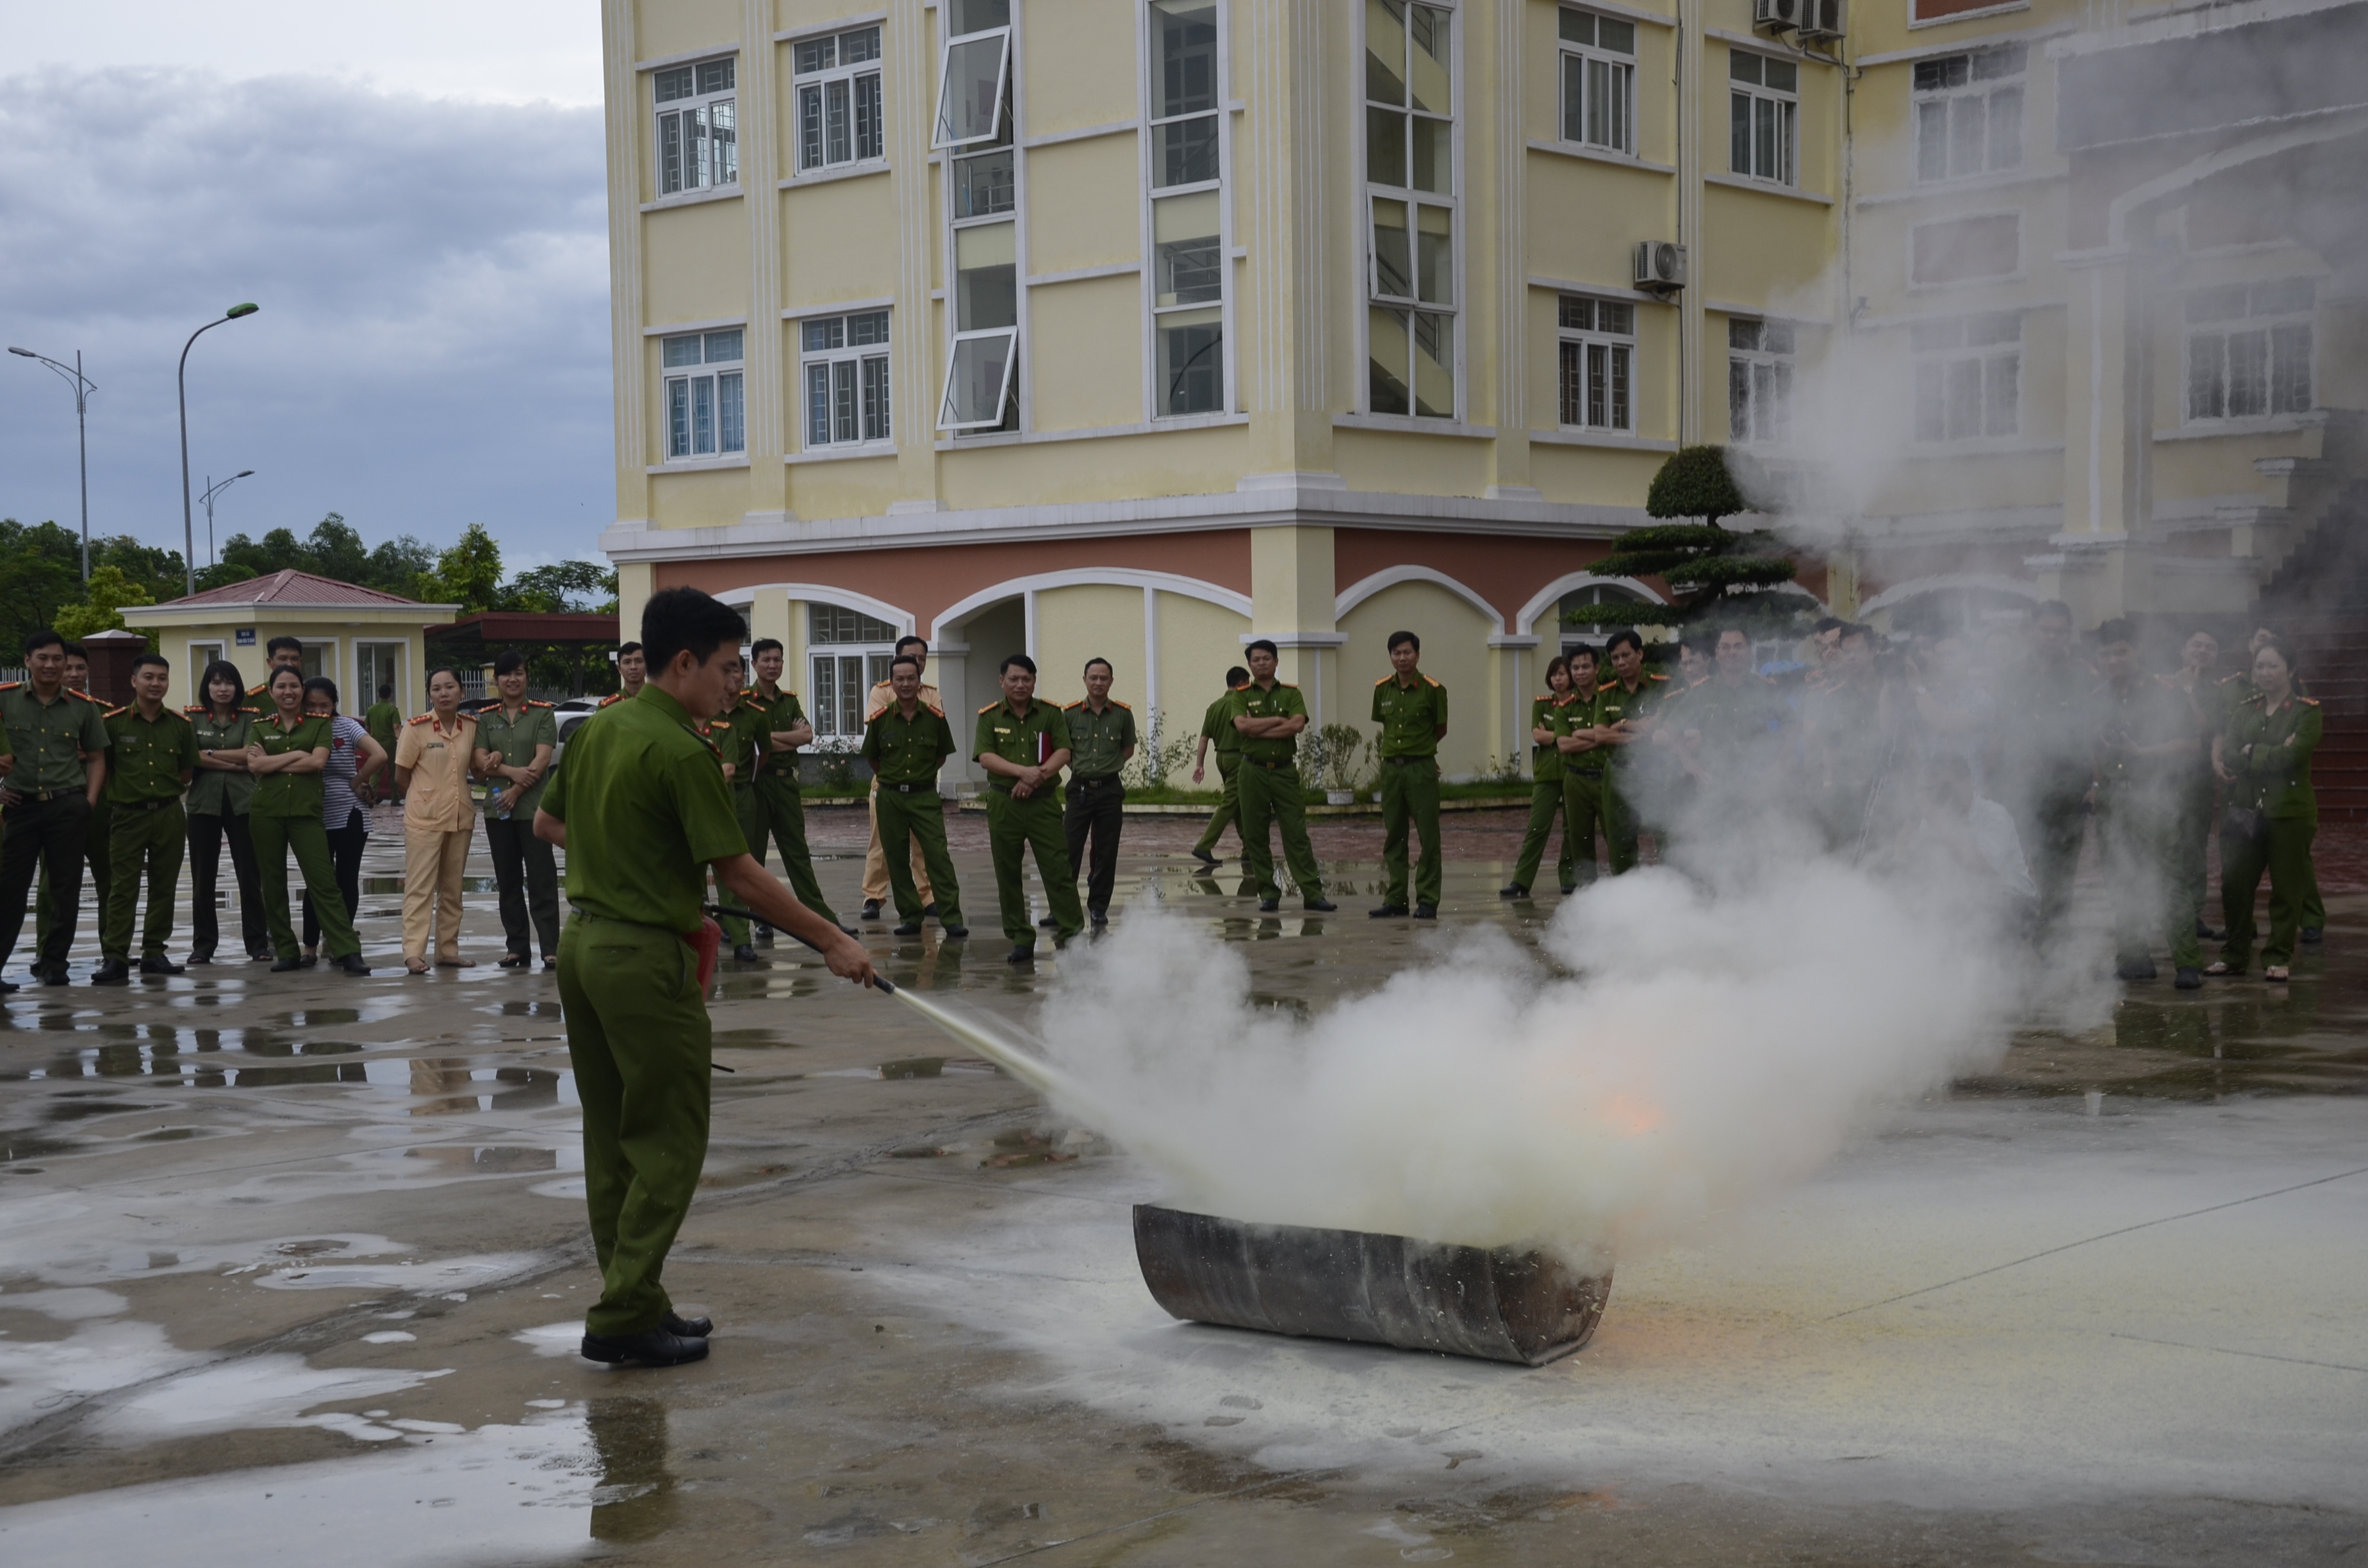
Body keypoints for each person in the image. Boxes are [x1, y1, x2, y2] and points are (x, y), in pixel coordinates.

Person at [533, 586, 876, 1368]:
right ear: (682, 662)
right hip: (642, 959)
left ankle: (640, 1301)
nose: (735, 682)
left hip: (585, 949)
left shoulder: (598, 730)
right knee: (670, 1139)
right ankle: (621, 1315)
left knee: (612, 1137)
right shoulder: (683, 749)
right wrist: (834, 942)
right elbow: (744, 876)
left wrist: (623, 864)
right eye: (726, 668)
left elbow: (551, 823)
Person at [2091, 621, 2202, 988]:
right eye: (2106, 654)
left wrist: (2146, 752)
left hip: (2153, 794)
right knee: (2120, 877)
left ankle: (2187, 962)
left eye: (2121, 651)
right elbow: (2094, 745)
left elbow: (2190, 743)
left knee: (2168, 878)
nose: (2113, 660)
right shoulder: (2097, 697)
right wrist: (2096, 783)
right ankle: (2133, 957)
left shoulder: (2163, 692)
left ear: (2137, 652)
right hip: (2112, 798)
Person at [0, 630, 111, 988]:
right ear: (28, 661)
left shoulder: (82, 706)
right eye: (43, 658)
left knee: (66, 889)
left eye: (57, 659)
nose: (51, 665)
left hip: (68, 806)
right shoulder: (5, 701)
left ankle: (55, 964)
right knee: (9, 890)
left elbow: (96, 758)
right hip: (20, 807)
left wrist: (89, 801)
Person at [244, 666, 370, 976]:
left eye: (294, 686)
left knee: (324, 883)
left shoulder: (317, 725)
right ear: (271, 692)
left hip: (307, 813)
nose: (288, 692)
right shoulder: (259, 726)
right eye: (281, 686)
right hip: (266, 813)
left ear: (302, 691)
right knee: (272, 885)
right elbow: (255, 767)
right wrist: (294, 756)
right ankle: (287, 952)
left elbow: (318, 761)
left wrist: (273, 761)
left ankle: (347, 951)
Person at [2208, 638, 2320, 982]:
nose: (2266, 673)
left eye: (2273, 665)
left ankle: (2278, 956)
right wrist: (2265, 752)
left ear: (2291, 669)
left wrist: (2251, 751)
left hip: (2289, 812)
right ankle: (2235, 954)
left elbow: (2293, 756)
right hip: (2244, 808)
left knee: (2287, 888)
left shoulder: (2307, 710)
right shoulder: (2246, 707)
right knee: (2236, 884)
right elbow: (2228, 754)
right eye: (2260, 666)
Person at [91, 653, 200, 984]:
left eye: (162, 678)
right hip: (127, 815)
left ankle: (154, 952)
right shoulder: (114, 723)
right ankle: (116, 957)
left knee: (164, 886)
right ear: (134, 681)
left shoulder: (181, 726)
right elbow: (103, 766)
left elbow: (185, 773)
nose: (156, 684)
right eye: (149, 677)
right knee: (123, 888)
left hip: (168, 812)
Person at [1993, 601, 2095, 945]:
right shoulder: (2009, 676)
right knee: (2013, 869)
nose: (2053, 638)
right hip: (2018, 788)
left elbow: (2096, 732)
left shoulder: (2083, 677)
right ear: (2030, 631)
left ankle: (2052, 946)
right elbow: (1997, 732)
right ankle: (2011, 940)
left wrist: (2094, 782)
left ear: (2068, 634)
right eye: (2046, 630)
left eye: (2060, 632)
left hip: (2066, 789)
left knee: (2059, 873)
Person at [975, 653, 1083, 962]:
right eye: (1014, 679)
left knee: (1058, 870)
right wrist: (1023, 773)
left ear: (1034, 681)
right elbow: (985, 757)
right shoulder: (990, 717)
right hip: (1004, 803)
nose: (1020, 684)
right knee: (1007, 873)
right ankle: (1021, 937)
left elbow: (1063, 751)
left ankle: (1072, 933)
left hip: (1043, 804)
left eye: (1026, 679)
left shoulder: (1050, 714)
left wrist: (1035, 779)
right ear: (1002, 681)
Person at [737, 637, 846, 941]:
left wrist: (776, 737)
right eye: (766, 660)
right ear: (754, 664)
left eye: (778, 660)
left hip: (786, 783)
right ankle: (758, 919)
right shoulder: (746, 701)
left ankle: (823, 921)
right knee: (754, 856)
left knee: (798, 855)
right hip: (758, 782)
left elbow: (808, 736)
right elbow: (757, 741)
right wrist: (789, 737)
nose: (773, 665)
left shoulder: (789, 700)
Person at [862, 655, 967, 942]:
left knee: (938, 858)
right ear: (891, 684)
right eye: (900, 679)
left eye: (911, 678)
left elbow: (941, 755)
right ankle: (910, 916)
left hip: (924, 798)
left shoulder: (935, 719)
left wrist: (920, 778)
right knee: (895, 859)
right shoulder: (880, 720)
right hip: (891, 798)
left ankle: (952, 918)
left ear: (919, 682)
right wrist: (894, 779)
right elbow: (873, 759)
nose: (906, 683)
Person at [1227, 639, 1335, 915]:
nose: (1261, 663)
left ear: (1276, 662)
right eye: (1255, 660)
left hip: (1285, 772)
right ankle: (1268, 893)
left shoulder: (1291, 694)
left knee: (1296, 833)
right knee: (1255, 835)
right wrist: (1278, 721)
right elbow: (1242, 725)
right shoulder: (1240, 695)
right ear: (1249, 665)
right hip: (1253, 771)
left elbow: (1297, 725)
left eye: (1266, 659)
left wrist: (1258, 728)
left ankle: (1312, 893)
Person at [472, 651, 562, 970]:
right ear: (496, 680)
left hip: (535, 811)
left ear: (527, 678)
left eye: (519, 673)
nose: (513, 679)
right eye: (506, 674)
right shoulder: (485, 718)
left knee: (542, 879)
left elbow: (542, 759)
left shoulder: (542, 714)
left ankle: (551, 948)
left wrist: (515, 788)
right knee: (507, 881)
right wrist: (511, 774)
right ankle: (517, 948)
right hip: (499, 812)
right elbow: (481, 767)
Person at [186, 659, 272, 964]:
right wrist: (231, 762)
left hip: (244, 803)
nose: (222, 689)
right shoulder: (192, 719)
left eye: (228, 683)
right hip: (202, 804)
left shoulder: (251, 717)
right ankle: (203, 946)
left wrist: (208, 755)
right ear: (206, 687)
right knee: (202, 879)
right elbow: (189, 757)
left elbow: (251, 755)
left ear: (237, 688)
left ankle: (258, 944)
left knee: (250, 876)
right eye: (216, 682)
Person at [394, 667, 479, 974]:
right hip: (424, 820)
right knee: (420, 888)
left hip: (460, 817)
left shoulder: (470, 727)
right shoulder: (416, 729)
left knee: (453, 890)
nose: (443, 694)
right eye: (436, 689)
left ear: (462, 692)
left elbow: (478, 768)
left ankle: (447, 950)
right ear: (429, 694)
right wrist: (424, 798)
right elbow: (401, 775)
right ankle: (413, 953)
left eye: (450, 687)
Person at [1669, 626, 1787, 847]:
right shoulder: (1703, 691)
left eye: (1738, 646)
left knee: (1757, 846)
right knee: (1716, 848)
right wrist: (1689, 763)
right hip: (1714, 786)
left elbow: (1793, 725)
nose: (1732, 653)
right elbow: (1671, 728)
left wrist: (1779, 766)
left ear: (1749, 652)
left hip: (1757, 785)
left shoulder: (1764, 688)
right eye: (1725, 647)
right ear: (1717, 653)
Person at [300, 677, 388, 969]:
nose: (318, 710)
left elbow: (380, 755)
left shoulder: (347, 726)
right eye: (311, 705)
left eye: (325, 705)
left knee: (346, 880)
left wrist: (357, 781)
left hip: (349, 814)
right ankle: (309, 948)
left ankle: (340, 945)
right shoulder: (299, 726)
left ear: (335, 704)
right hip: (312, 813)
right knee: (316, 883)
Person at [37, 644, 113, 957]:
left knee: (109, 878)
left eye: (80, 668)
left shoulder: (103, 711)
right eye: (68, 668)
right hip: (54, 805)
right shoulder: (39, 709)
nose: (74, 674)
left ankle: (113, 948)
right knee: (52, 882)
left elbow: (108, 756)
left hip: (99, 804)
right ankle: (47, 950)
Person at [1370, 631, 1449, 919]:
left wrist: (1423, 750)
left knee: (1428, 835)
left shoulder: (1433, 689)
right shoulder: (1382, 689)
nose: (1402, 658)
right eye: (1396, 653)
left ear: (1417, 655)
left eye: (1407, 652)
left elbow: (1440, 729)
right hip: (1392, 769)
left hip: (1421, 769)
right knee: (1394, 835)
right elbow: (1386, 726)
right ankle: (1396, 899)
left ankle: (1428, 899)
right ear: (1390, 656)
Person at [860, 636, 938, 920]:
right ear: (897, 659)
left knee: (923, 844)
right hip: (887, 782)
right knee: (881, 842)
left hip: (921, 782)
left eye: (922, 658)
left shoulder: (932, 693)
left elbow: (937, 736)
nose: (917, 662)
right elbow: (876, 735)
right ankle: (873, 896)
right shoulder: (881, 693)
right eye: (911, 656)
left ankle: (927, 897)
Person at [702, 656, 770, 963]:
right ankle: (701, 939)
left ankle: (742, 940)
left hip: (722, 810)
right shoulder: (678, 725)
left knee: (731, 873)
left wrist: (692, 781)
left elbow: (729, 769)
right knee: (693, 883)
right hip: (686, 814)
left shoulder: (722, 728)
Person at [1062, 658, 1137, 929]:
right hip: (1079, 790)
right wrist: (1081, 769)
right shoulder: (1069, 714)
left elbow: (1128, 749)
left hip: (1110, 790)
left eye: (1104, 678)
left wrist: (1107, 767)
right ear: (1084, 679)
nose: (1098, 683)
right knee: (1069, 850)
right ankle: (1064, 908)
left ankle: (1098, 908)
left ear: (1111, 681)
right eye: (1093, 677)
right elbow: (1064, 750)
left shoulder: (1122, 714)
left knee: (1106, 852)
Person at [1503, 653, 1585, 899]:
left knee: (1573, 828)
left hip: (1573, 770)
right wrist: (1566, 736)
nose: (1558, 679)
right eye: (1554, 674)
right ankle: (1521, 881)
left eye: (1562, 673)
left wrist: (1556, 736)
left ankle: (1569, 878)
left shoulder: (1581, 704)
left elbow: (1583, 736)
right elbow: (1537, 736)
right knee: (1537, 827)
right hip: (1547, 773)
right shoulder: (1542, 704)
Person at [1590, 629, 1671, 875]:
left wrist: (1620, 726)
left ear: (1640, 653)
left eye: (1626, 655)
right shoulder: (1606, 693)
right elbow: (1599, 735)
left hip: (1655, 771)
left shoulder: (1663, 686)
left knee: (1664, 833)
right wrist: (1636, 729)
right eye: (1615, 658)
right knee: (1620, 839)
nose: (1621, 662)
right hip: (1618, 772)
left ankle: (1675, 892)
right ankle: (1628, 895)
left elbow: (1662, 728)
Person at [2158, 629, 2222, 940]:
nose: (2203, 651)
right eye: (2196, 645)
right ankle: (2157, 910)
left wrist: (2189, 692)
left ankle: (2192, 913)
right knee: (2162, 846)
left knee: (2194, 848)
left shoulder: (2216, 690)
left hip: (2196, 779)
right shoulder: (2159, 685)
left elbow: (2207, 731)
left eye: (2210, 647)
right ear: (2183, 650)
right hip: (2160, 778)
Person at [1188, 666, 1251, 867]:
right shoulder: (1241, 704)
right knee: (1230, 803)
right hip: (1240, 758)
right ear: (1242, 684)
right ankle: (1204, 845)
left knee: (1239, 803)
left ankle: (1248, 849)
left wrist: (1199, 765)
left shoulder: (1214, 707)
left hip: (1221, 759)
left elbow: (1204, 739)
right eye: (1248, 684)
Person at [363, 682, 405, 806]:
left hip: (376, 744)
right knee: (393, 771)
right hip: (391, 744)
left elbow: (367, 729)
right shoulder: (392, 710)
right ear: (390, 695)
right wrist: (401, 741)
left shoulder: (371, 710)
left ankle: (370, 797)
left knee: (376, 772)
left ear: (378, 694)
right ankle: (395, 798)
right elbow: (397, 727)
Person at [244, 636, 306, 711]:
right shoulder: (252, 699)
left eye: (295, 659)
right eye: (283, 659)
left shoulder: (310, 694)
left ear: (300, 662)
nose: (289, 664)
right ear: (270, 662)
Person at [599, 641, 648, 707]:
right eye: (627, 662)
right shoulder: (608, 706)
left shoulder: (660, 701)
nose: (633, 667)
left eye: (639, 661)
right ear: (619, 669)